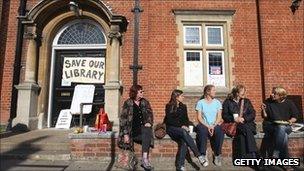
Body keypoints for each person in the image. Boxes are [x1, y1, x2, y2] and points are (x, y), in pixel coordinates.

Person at [164, 89, 206, 171]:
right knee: (183, 131)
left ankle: (180, 166)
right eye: (182, 96)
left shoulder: (183, 106)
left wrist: (186, 125)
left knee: (184, 142)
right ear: (176, 97)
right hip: (171, 128)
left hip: (181, 130)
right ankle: (198, 155)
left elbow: (186, 119)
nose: (183, 97)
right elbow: (169, 120)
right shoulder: (169, 106)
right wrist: (181, 126)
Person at [118, 85, 154, 170]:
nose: (143, 93)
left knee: (147, 130)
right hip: (131, 130)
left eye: (142, 91)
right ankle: (143, 161)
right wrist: (125, 134)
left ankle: (145, 159)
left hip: (143, 129)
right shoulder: (128, 103)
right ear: (135, 93)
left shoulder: (145, 102)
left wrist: (148, 122)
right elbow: (123, 119)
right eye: (141, 92)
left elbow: (150, 114)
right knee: (147, 134)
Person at [261, 86, 298, 159]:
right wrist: (263, 110)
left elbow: (295, 116)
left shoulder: (289, 103)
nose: (272, 95)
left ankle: (276, 151)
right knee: (284, 136)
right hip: (271, 125)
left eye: (275, 93)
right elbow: (265, 116)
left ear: (281, 96)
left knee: (282, 128)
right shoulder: (268, 101)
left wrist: (290, 121)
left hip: (286, 125)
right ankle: (284, 161)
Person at [222, 85, 258, 159]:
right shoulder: (228, 102)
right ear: (237, 93)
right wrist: (234, 119)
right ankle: (255, 154)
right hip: (235, 125)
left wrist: (243, 119)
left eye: (245, 92)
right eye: (242, 92)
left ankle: (244, 158)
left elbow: (253, 113)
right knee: (245, 131)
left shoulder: (247, 101)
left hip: (247, 123)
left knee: (243, 133)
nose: (244, 94)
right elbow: (224, 116)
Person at [195, 85, 224, 166]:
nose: (215, 92)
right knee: (202, 131)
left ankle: (217, 154)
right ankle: (203, 154)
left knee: (220, 131)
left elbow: (219, 117)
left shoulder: (217, 102)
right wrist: (208, 126)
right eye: (213, 90)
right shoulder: (200, 102)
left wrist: (213, 126)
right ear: (208, 92)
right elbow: (199, 118)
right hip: (203, 124)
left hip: (214, 124)